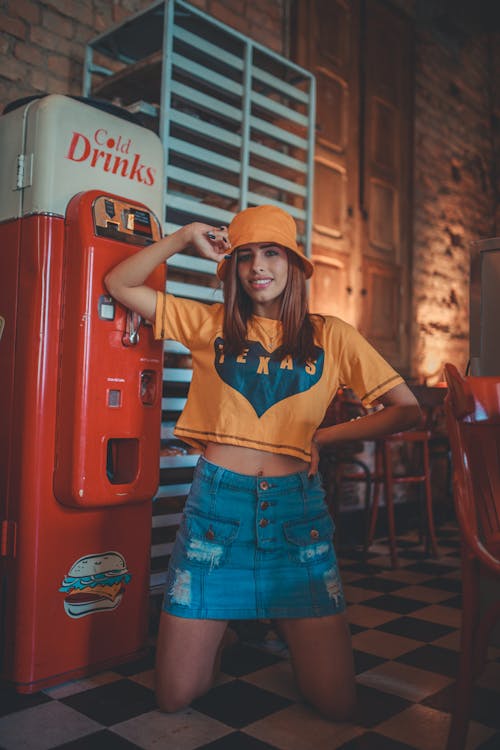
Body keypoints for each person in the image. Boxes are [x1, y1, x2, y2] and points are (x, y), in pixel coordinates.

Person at [104, 204, 421, 721]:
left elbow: (405, 409)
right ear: (232, 268)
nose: (257, 267)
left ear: (294, 265)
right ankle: (227, 632)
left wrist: (322, 435)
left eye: (271, 253)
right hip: (216, 515)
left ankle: (280, 618)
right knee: (174, 697)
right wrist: (184, 236)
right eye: (245, 256)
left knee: (335, 702)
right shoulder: (210, 324)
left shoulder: (333, 335)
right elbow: (120, 281)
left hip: (298, 522)